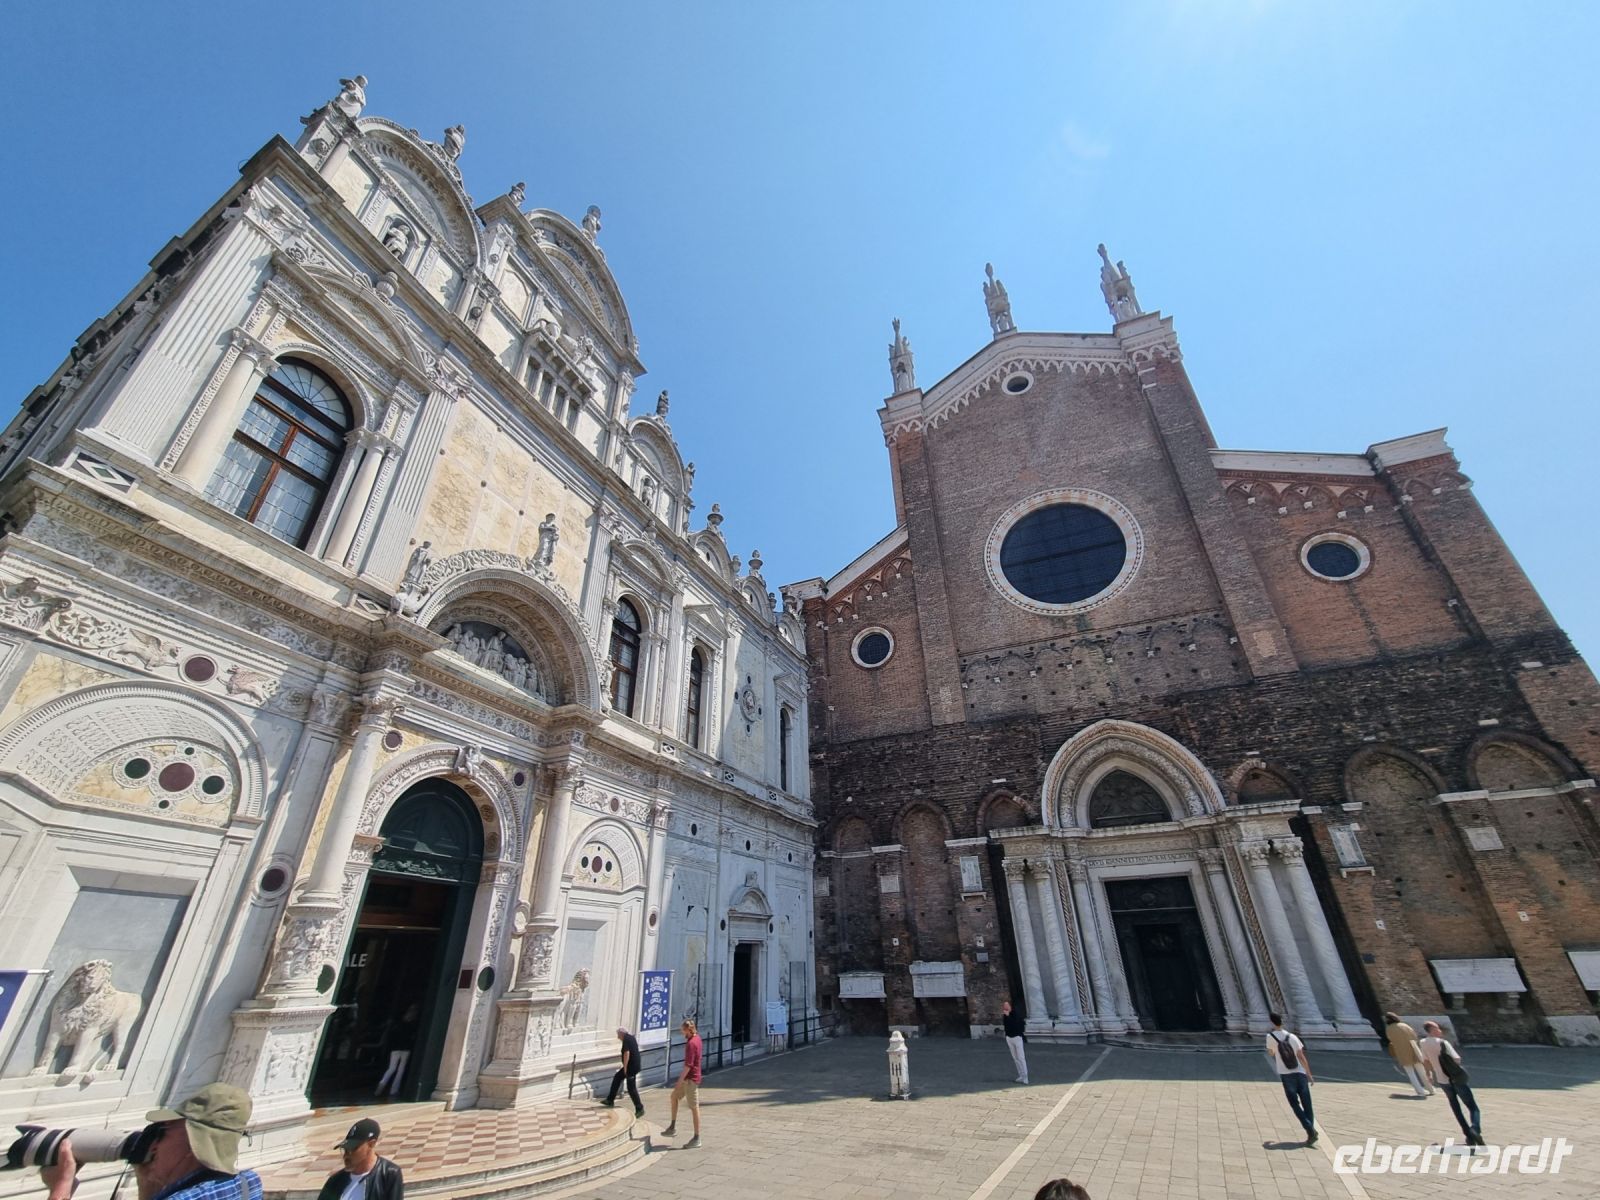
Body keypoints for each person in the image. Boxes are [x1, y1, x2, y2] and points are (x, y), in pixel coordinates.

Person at [38, 1081, 263, 1200]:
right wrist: (148, 1188)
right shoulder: (248, 1184)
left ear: (192, 1144)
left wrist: (60, 1188)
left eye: (162, 1133)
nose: (153, 1145)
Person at [1420, 1021, 1483, 1146]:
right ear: (1432, 1029)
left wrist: (1429, 1074)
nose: (1440, 1031)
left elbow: (1425, 1060)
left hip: (1442, 1080)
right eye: (1437, 1028)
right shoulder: (1443, 1043)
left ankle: (1468, 1136)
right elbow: (1457, 1059)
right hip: (1455, 1078)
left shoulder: (1422, 1043)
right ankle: (1475, 1129)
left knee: (1456, 1108)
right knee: (1472, 1106)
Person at [316, 1118, 404, 1200]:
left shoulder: (388, 1174)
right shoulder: (335, 1181)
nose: (346, 1155)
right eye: (345, 1150)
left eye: (352, 1149)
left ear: (371, 1144)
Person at [1264, 1012, 1317, 1146]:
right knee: (1307, 1104)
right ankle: (1310, 1131)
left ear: (1271, 1022)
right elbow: (1301, 1056)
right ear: (1283, 1021)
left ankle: (1310, 1129)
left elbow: (1271, 1053)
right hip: (1300, 1073)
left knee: (1294, 1103)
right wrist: (1309, 1074)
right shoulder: (1293, 1037)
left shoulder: (1270, 1037)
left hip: (1286, 1074)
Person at [661, 1018, 702, 1148]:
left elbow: (688, 1065)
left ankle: (697, 1138)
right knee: (674, 1097)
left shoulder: (692, 1043)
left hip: (691, 1080)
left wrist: (679, 1081)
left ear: (688, 1030)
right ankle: (672, 1126)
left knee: (694, 1108)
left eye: (683, 1030)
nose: (682, 1033)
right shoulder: (697, 1039)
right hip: (688, 1079)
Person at [1384, 1011, 1433, 1097]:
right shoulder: (1405, 1025)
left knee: (1411, 1073)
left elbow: (1390, 1038)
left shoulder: (1389, 1029)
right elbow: (1414, 1036)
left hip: (1401, 1051)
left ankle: (1420, 1091)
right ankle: (1431, 1089)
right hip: (1414, 1049)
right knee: (1422, 1071)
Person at [601, 1026, 646, 1118]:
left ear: (622, 1034)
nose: (618, 1037)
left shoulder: (626, 1040)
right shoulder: (631, 1037)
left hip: (631, 1067)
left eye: (618, 1035)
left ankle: (639, 1108)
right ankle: (610, 1099)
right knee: (617, 1077)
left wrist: (625, 1068)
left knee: (631, 1088)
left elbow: (627, 1053)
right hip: (634, 1065)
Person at [1002, 1000, 1029, 1084]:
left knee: (1021, 1057)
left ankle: (1025, 1077)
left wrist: (1008, 1016)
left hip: (1017, 1037)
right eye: (1004, 1006)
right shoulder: (1005, 1016)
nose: (1006, 1008)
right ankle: (1021, 1075)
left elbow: (1015, 1025)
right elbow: (1006, 1026)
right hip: (1009, 1038)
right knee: (1015, 1058)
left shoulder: (1015, 1015)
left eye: (1007, 1006)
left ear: (1010, 1007)